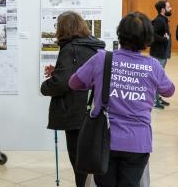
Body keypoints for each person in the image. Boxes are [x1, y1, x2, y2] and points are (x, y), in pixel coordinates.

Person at [69, 12, 175, 187]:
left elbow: (74, 83)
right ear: (148, 38)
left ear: (120, 33)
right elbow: (169, 90)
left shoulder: (102, 58)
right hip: (138, 142)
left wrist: (98, 84)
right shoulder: (153, 66)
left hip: (104, 138)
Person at [40, 11, 105, 187]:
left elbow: (62, 83)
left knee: (78, 159)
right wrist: (58, 70)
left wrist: (45, 86)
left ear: (63, 28)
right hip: (95, 109)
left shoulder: (70, 48)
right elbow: (81, 72)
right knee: (94, 155)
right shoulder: (96, 46)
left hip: (74, 112)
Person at [150, 0, 172, 109]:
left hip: (162, 54)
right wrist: (164, 39)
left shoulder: (163, 20)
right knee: (156, 78)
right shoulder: (159, 20)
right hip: (158, 54)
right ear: (163, 10)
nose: (170, 8)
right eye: (168, 7)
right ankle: (154, 100)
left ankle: (157, 98)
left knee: (159, 77)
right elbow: (152, 34)